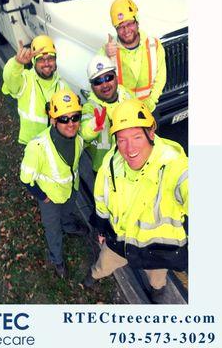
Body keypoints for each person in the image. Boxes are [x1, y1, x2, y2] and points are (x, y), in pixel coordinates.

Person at [83, 99, 188, 303]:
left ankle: (157, 290)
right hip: (120, 242)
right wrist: (103, 229)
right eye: (122, 139)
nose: (129, 148)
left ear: (151, 133)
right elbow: (101, 197)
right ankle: (94, 275)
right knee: (103, 265)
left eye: (137, 136)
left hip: (156, 249)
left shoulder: (173, 165)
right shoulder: (112, 162)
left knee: (157, 278)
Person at [20, 90, 87, 278]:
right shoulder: (37, 147)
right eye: (64, 119)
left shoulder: (79, 138)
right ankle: (57, 259)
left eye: (75, 117)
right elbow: (25, 179)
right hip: (50, 199)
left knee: (68, 213)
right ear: (53, 120)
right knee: (53, 230)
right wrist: (44, 197)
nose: (71, 123)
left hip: (70, 191)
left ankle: (69, 226)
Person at [99, 0, 166, 114]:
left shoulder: (153, 45)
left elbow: (161, 78)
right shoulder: (108, 49)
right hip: (122, 114)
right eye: (120, 27)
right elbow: (98, 82)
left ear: (137, 22)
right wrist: (106, 57)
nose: (126, 30)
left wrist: (150, 102)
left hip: (149, 110)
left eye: (129, 24)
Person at [2, 35, 69, 144]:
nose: (46, 63)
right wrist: (17, 63)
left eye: (50, 58)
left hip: (56, 143)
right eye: (41, 59)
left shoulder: (63, 86)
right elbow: (9, 78)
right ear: (33, 61)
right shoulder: (25, 80)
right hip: (32, 145)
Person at [81, 55, 131, 173]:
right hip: (106, 168)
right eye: (98, 81)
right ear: (92, 86)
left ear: (116, 77)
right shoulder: (90, 107)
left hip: (132, 159)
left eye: (108, 77)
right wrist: (95, 125)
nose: (105, 85)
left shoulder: (126, 94)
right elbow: (84, 132)